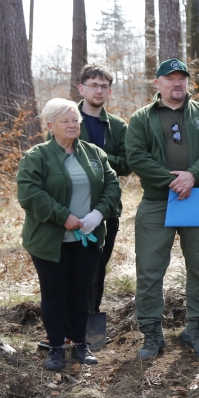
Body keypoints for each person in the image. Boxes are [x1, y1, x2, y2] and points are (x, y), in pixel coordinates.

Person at [126, 59, 199, 359]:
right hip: (158, 200)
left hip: (198, 198)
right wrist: (173, 181)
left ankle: (195, 330)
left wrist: (192, 175)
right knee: (149, 270)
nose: (177, 83)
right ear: (157, 83)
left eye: (182, 78)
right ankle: (152, 335)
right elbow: (136, 156)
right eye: (170, 78)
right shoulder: (142, 118)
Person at [17, 98, 121, 370]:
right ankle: (55, 347)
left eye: (75, 120)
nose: (72, 125)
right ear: (51, 126)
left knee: (80, 293)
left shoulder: (94, 154)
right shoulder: (36, 156)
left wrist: (99, 213)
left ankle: (80, 344)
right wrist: (64, 217)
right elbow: (30, 194)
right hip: (49, 241)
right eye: (65, 121)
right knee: (54, 294)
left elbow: (112, 184)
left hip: (87, 238)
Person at [77, 65, 131, 330]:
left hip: (107, 208)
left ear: (109, 91)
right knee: (71, 266)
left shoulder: (118, 126)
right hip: (72, 206)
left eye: (103, 86)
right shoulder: (66, 118)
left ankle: (91, 315)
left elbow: (127, 163)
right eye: (93, 85)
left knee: (99, 265)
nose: (98, 90)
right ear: (82, 88)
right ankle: (67, 322)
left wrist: (97, 155)